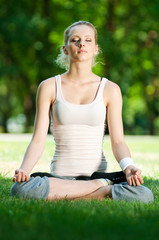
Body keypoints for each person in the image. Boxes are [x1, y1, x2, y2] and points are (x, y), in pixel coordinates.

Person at [10, 21, 154, 203]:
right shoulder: (48, 87)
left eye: (88, 40)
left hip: (95, 174)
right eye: (75, 40)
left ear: (95, 48)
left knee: (144, 195)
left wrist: (128, 167)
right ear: (65, 49)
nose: (81, 44)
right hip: (61, 179)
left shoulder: (110, 89)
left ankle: (66, 196)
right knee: (19, 190)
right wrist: (24, 170)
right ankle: (99, 189)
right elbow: (38, 139)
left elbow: (118, 141)